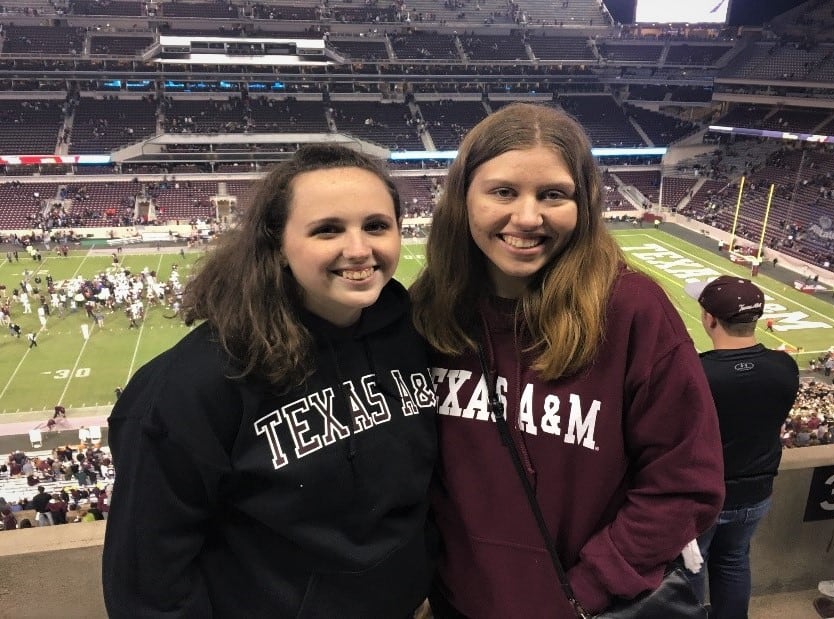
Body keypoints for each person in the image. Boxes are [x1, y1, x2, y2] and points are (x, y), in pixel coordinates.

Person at [410, 102, 725, 619]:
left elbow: (685, 482)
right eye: (503, 192)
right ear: (463, 197)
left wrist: (583, 591)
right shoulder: (430, 310)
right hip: (460, 605)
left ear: (583, 204)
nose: (527, 217)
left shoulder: (631, 309)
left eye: (553, 194)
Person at [102, 144, 438, 618]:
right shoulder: (194, 384)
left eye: (376, 226)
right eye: (328, 229)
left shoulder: (413, 334)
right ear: (277, 244)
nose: (360, 249)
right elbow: (150, 585)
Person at [683, 276, 799, 618]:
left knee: (689, 568)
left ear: (709, 318)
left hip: (704, 493)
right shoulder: (785, 366)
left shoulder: (696, 371)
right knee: (733, 560)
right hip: (756, 492)